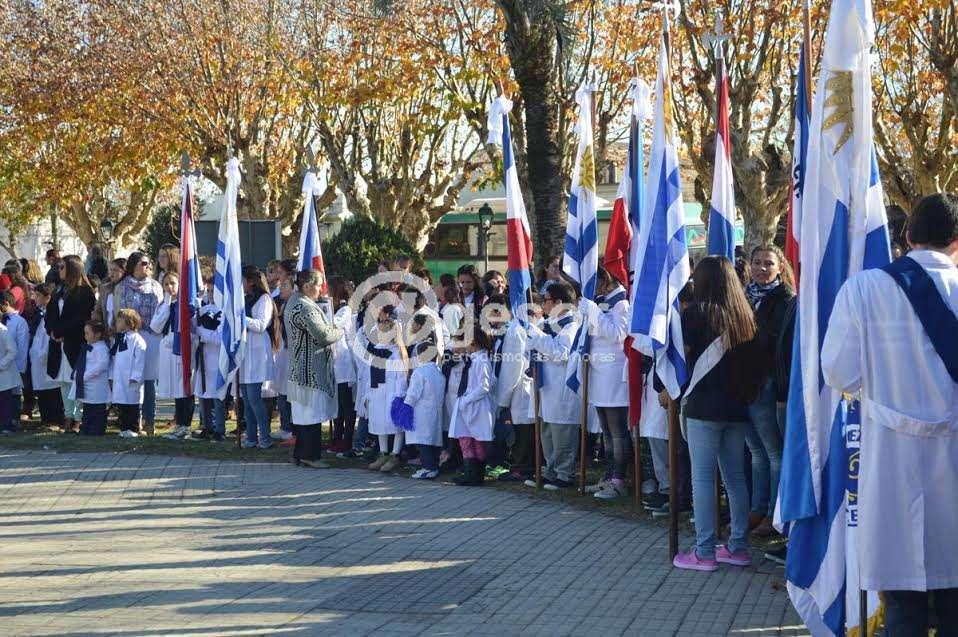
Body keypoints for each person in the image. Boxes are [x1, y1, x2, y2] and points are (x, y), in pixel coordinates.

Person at [821, 194, 958, 633]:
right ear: (956, 241)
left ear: (907, 235)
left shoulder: (864, 289)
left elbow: (838, 372)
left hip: (891, 467)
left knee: (902, 603)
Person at [672, 256, 764, 572]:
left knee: (702, 478)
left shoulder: (695, 314)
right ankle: (738, 547)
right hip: (736, 407)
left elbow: (681, 358)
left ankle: (704, 551)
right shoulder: (746, 316)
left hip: (703, 407)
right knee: (735, 477)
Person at [743, 245, 795, 537]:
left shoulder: (785, 300)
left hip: (767, 384)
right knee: (756, 452)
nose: (762, 268)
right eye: (757, 262)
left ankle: (774, 514)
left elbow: (778, 345)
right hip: (744, 383)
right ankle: (757, 507)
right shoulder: (744, 295)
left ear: (779, 267)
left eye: (768, 263)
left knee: (774, 453)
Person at [579, 267, 632, 500]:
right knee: (607, 433)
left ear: (604, 280)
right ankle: (609, 477)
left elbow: (618, 334)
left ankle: (619, 481)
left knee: (617, 432)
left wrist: (593, 312)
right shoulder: (601, 302)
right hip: (599, 374)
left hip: (614, 374)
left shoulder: (621, 303)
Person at [523, 282, 581, 490]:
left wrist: (538, 337)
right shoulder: (546, 323)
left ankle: (565, 473)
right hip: (544, 386)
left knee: (561, 431)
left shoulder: (571, 325)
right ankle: (550, 469)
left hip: (560, 387)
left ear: (558, 302)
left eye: (546, 300)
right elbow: (532, 346)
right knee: (547, 431)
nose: (543, 304)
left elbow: (562, 353)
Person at [284, 269, 342, 467]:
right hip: (309, 373)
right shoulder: (304, 306)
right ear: (307, 286)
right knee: (311, 415)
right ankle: (311, 456)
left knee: (303, 416)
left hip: (300, 369)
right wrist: (339, 331)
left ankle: (300, 454)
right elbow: (324, 336)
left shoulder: (295, 301)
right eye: (318, 285)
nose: (321, 289)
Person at [111, 252, 163, 434]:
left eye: (149, 263)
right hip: (129, 336)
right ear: (134, 266)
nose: (148, 266)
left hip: (151, 336)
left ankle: (149, 420)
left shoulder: (155, 286)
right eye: (143, 263)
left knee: (149, 380)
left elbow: (160, 312)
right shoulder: (122, 287)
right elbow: (118, 312)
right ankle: (132, 420)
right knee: (129, 378)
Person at [45, 255, 96, 434]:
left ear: (72, 269)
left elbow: (81, 319)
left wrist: (62, 333)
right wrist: (52, 331)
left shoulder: (85, 292)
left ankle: (79, 418)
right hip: (58, 343)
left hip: (75, 343)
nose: (59, 270)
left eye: (62, 267)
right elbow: (50, 314)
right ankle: (68, 415)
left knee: (77, 380)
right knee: (63, 380)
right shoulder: (59, 289)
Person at [448, 326, 495, 486]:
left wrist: (467, 400)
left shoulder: (482, 360)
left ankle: (477, 476)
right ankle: (469, 474)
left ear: (473, 342)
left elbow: (484, 386)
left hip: (475, 405)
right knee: (465, 438)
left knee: (477, 440)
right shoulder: (472, 359)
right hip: (466, 404)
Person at [151, 272, 196, 439]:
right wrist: (166, 304)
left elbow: (192, 327)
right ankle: (179, 424)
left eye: (173, 283)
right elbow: (155, 326)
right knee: (176, 389)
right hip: (167, 350)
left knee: (185, 386)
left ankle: (186, 425)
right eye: (166, 284)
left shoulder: (186, 304)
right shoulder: (164, 305)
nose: (170, 287)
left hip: (182, 348)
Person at [364, 313, 409, 472]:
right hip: (377, 391)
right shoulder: (376, 350)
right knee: (379, 423)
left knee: (395, 424)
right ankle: (383, 453)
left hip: (392, 392)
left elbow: (401, 376)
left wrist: (399, 396)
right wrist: (367, 394)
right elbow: (369, 374)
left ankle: (395, 454)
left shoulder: (396, 352)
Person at [240, 269, 277, 449]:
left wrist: (240, 319)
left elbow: (261, 324)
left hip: (257, 352)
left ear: (251, 281)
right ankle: (251, 437)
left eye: (242, 280)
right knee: (246, 399)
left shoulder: (264, 299)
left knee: (254, 398)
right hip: (244, 352)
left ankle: (265, 436)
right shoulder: (243, 299)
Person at [403, 340, 445, 480]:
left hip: (421, 412)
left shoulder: (419, 372)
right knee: (432, 440)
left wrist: (406, 406)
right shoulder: (439, 372)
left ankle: (429, 468)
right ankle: (433, 466)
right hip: (435, 411)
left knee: (423, 442)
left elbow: (413, 394)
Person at [193, 267, 226, 441]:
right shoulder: (203, 309)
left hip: (217, 357)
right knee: (203, 392)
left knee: (217, 394)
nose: (212, 294)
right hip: (203, 356)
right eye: (210, 291)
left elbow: (219, 338)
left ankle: (219, 428)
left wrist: (201, 332)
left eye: (215, 291)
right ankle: (207, 426)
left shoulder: (224, 312)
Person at [28, 285, 63, 430]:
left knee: (52, 390)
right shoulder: (40, 314)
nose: (34, 298)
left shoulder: (54, 312)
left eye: (38, 295)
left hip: (48, 357)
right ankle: (46, 419)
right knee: (42, 390)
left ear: (47, 297)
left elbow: (50, 336)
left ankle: (55, 420)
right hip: (37, 358)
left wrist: (43, 355)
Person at [329, 277, 357, 453]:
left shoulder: (345, 310)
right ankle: (337, 439)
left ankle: (347, 442)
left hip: (344, 365)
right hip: (336, 365)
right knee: (338, 407)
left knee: (347, 407)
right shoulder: (338, 309)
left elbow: (333, 324)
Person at [111, 309, 147, 437]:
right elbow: (114, 358)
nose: (116, 323)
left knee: (132, 404)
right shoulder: (119, 339)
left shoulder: (137, 340)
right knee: (122, 404)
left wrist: (136, 376)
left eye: (119, 321)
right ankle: (124, 428)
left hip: (131, 378)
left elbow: (140, 360)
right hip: (120, 377)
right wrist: (112, 375)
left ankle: (134, 428)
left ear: (128, 323)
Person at [73, 320, 110, 436]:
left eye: (87, 333)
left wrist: (85, 376)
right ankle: (86, 428)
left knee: (97, 409)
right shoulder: (90, 347)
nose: (85, 336)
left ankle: (97, 429)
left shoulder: (101, 348)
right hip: (88, 385)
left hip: (97, 386)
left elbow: (102, 365)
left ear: (97, 334)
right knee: (88, 408)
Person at [92, 257, 126, 326]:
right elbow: (98, 309)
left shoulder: (127, 290)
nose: (111, 273)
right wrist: (96, 318)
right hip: (106, 329)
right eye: (110, 270)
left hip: (121, 329)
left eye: (115, 270)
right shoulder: (104, 288)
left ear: (124, 271)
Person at [0, 314, 19, 433]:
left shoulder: (3, 331)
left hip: (4, 374)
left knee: (5, 400)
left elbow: (13, 351)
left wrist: (1, 364)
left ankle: (7, 426)